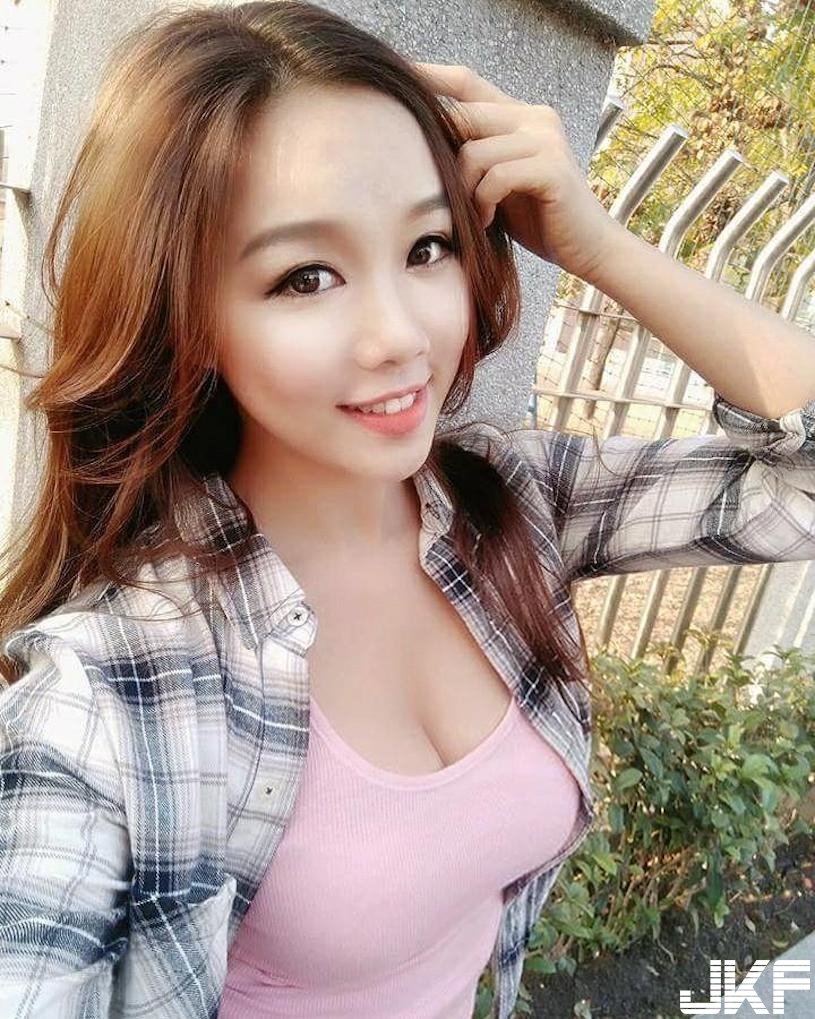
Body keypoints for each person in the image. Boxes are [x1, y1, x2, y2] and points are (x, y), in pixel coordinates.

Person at [0, 2, 813, 1017]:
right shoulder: (112, 690)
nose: (398, 335)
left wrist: (600, 245)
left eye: (427, 246)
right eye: (305, 276)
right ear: (188, 317)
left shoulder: (511, 507)